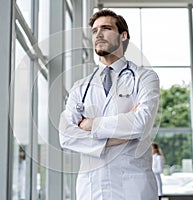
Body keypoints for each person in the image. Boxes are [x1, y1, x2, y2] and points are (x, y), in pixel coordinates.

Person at [59, 9, 160, 200]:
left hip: (133, 188)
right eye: (95, 30)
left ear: (123, 36)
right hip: (92, 189)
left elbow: (141, 124)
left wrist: (91, 125)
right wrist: (116, 139)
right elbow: (65, 136)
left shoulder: (145, 78)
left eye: (105, 28)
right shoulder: (80, 87)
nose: (98, 34)